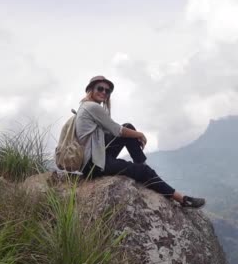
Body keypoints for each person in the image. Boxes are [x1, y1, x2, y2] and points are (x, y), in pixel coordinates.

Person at [75, 75, 205, 208]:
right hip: (95, 165)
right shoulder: (92, 107)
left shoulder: (85, 107)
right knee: (136, 152)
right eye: (100, 88)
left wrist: (131, 134)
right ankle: (182, 199)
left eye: (107, 91)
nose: (104, 92)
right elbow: (117, 130)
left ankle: (142, 167)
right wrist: (140, 135)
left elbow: (113, 132)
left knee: (128, 128)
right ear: (91, 89)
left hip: (95, 157)